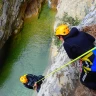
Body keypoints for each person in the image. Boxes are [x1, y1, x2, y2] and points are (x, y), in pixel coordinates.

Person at [55, 24, 96, 90]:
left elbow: (72, 57)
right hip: (95, 52)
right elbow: (92, 39)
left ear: (61, 36)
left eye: (58, 37)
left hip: (92, 63)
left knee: (83, 80)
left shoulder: (66, 44)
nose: (59, 39)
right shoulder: (81, 33)